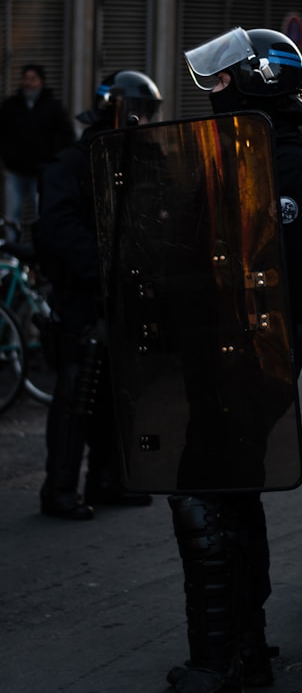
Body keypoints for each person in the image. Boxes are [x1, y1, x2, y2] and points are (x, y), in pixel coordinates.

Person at [166, 27, 302, 693]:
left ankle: (224, 656)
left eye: (224, 79)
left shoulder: (288, 163)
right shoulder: (239, 152)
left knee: (209, 500)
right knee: (228, 500)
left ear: (257, 80)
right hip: (219, 348)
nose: (214, 91)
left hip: (252, 354)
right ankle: (243, 648)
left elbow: (272, 272)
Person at [34, 70, 164, 520]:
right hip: (83, 299)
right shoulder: (72, 164)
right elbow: (58, 228)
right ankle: (60, 489)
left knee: (118, 394)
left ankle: (107, 480)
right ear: (120, 111)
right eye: (141, 112)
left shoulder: (139, 160)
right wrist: (104, 272)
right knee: (77, 394)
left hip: (127, 299)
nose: (146, 121)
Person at [0, 63, 75, 239]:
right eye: (26, 78)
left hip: (41, 172)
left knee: (43, 215)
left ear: (41, 82)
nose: (28, 83)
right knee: (12, 216)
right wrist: (8, 156)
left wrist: (52, 160)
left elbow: (66, 136)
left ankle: (40, 255)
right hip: (15, 171)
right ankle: (12, 252)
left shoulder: (52, 107)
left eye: (33, 79)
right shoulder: (11, 105)